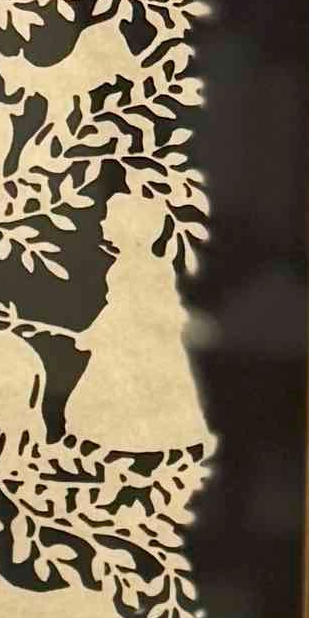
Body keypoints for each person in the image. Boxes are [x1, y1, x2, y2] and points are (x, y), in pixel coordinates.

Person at [63, 187, 211, 452]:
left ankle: (135, 445)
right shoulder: (134, 264)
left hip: (137, 347)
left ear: (129, 228)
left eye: (108, 218)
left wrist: (95, 335)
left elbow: (126, 311)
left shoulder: (142, 268)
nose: (102, 222)